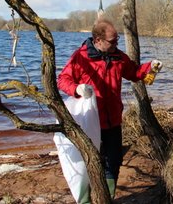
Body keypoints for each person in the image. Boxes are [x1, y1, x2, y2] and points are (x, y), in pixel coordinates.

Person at [58, 19, 162, 201]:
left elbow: (134, 72)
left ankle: (107, 198)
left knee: (113, 161)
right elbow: (63, 80)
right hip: (90, 121)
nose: (116, 44)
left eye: (117, 40)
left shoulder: (118, 57)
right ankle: (84, 200)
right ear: (97, 40)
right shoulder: (81, 57)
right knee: (87, 163)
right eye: (112, 41)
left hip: (113, 120)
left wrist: (150, 67)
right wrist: (77, 89)